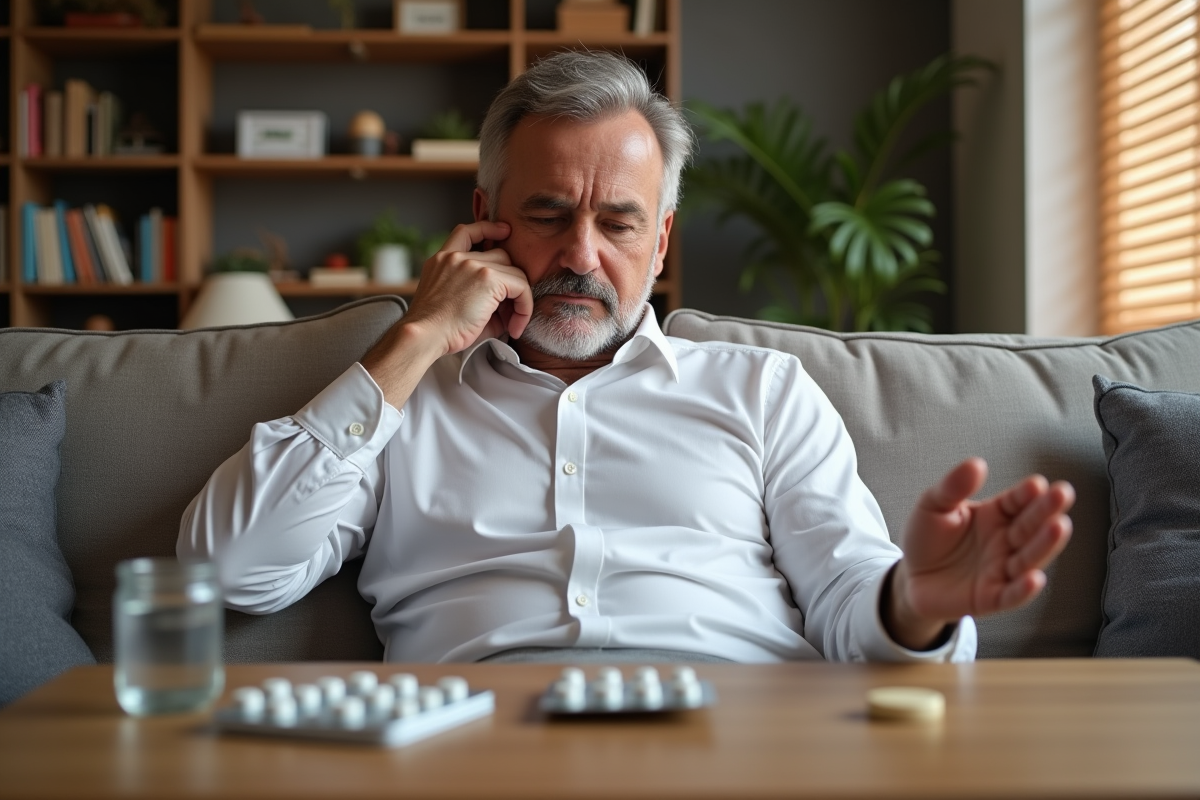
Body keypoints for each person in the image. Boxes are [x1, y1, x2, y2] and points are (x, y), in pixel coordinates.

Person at [178, 51, 1074, 665]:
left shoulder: (761, 391)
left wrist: (916, 602)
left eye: (618, 223)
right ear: (484, 215)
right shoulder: (400, 401)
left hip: (740, 744)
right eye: (546, 213)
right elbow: (229, 571)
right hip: (472, 759)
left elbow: (850, 597)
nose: (580, 255)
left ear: (662, 239)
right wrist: (413, 339)